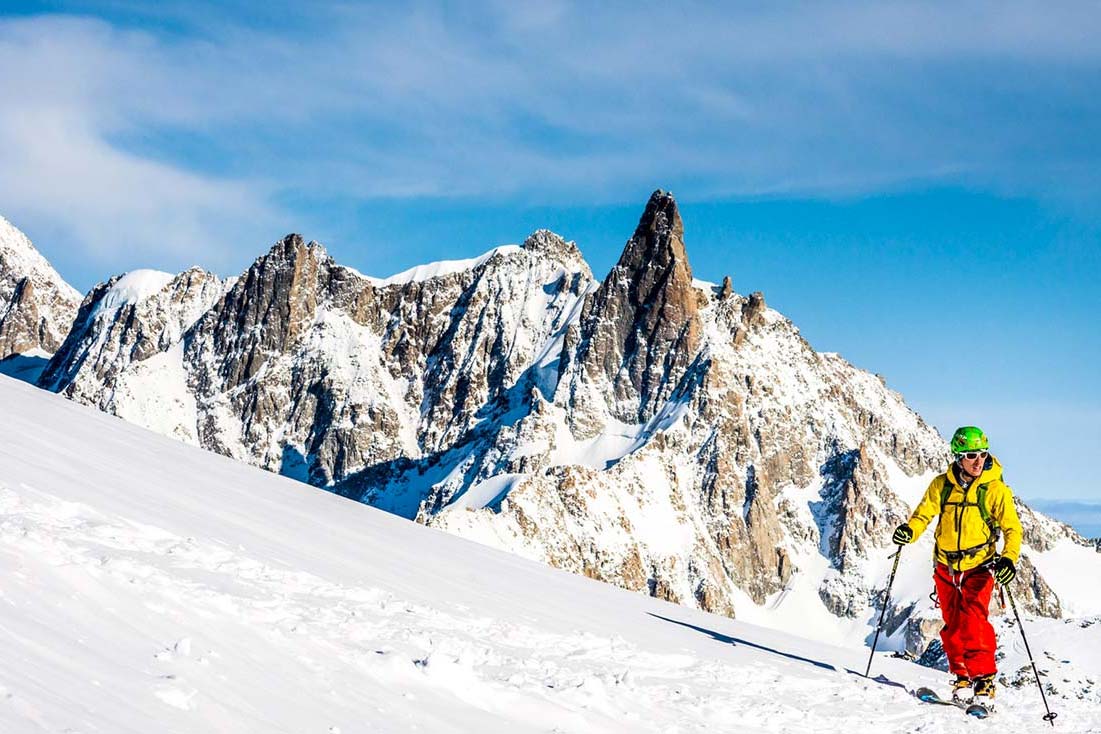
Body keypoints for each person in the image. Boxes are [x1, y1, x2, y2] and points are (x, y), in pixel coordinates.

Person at [891, 426, 1022, 706]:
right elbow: (923, 514)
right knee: (952, 624)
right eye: (972, 455)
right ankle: (962, 677)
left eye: (983, 454)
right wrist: (910, 532)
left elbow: (1013, 529)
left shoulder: (994, 489)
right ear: (958, 456)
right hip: (946, 566)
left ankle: (984, 681)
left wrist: (1009, 558)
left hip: (980, 566)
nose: (978, 461)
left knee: (974, 620)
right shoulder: (942, 484)